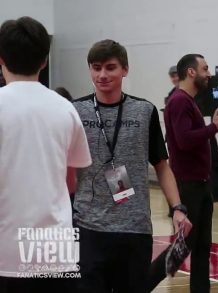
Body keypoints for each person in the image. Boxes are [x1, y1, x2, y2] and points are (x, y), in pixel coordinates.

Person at [71, 39, 189, 293]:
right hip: (88, 228)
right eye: (96, 67)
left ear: (125, 69)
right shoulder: (75, 111)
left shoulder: (144, 111)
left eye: (110, 67)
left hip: (134, 229)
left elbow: (162, 165)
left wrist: (177, 208)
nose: (102, 75)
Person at [0, 16, 91, 292]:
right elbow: (72, 180)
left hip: (6, 249)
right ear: (44, 60)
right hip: (56, 251)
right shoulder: (65, 108)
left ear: (1, 58)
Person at [163, 54, 218, 293]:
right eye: (205, 68)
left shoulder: (188, 101)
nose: (209, 73)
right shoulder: (179, 101)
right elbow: (184, 140)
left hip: (200, 184)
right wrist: (214, 127)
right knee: (182, 249)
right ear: (191, 72)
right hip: (188, 185)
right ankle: (141, 284)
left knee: (202, 247)